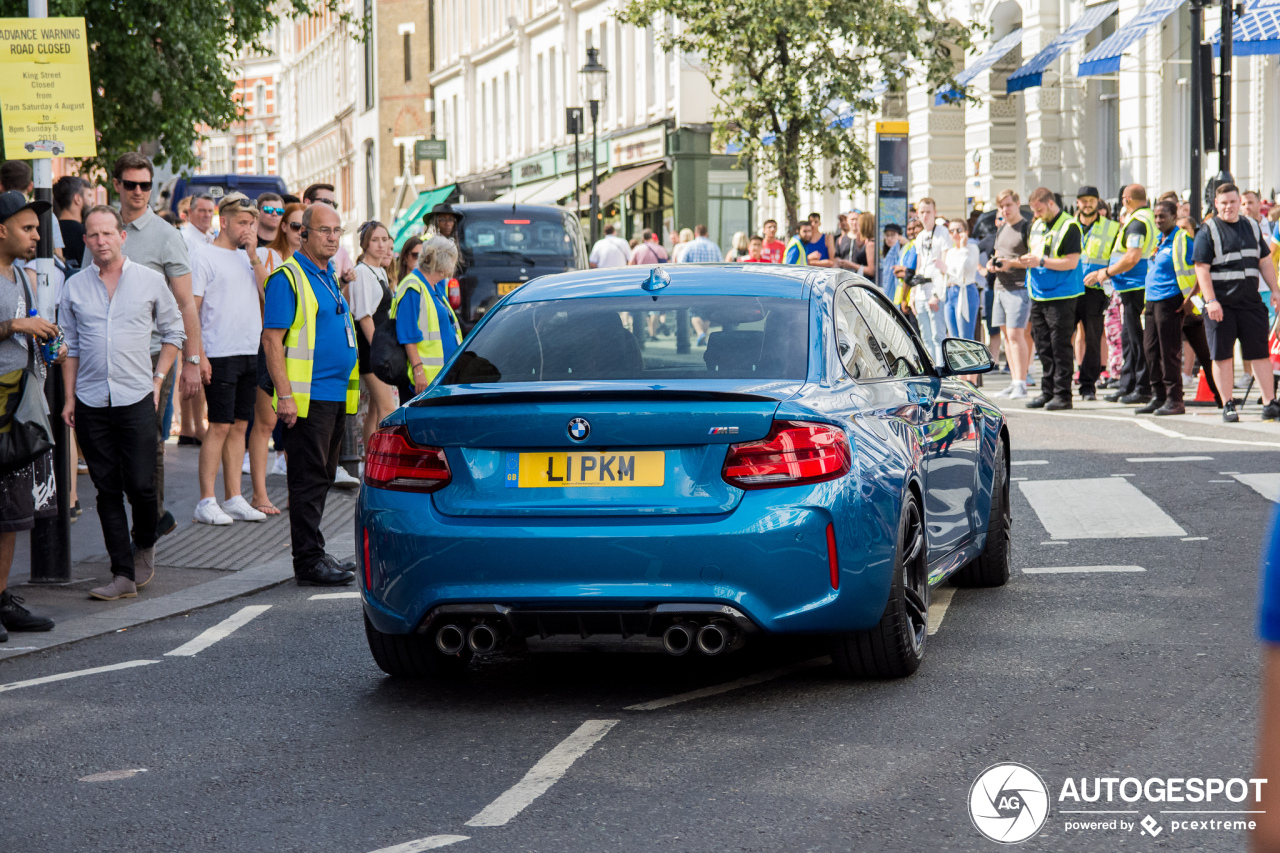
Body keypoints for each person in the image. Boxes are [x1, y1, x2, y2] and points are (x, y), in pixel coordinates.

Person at [63, 205, 185, 600]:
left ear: (122, 236)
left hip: (136, 397)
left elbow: (173, 331)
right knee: (107, 490)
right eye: (93, 235)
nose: (101, 241)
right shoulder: (75, 287)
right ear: (85, 241)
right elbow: (72, 347)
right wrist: (68, 398)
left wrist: (158, 379)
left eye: (107, 234)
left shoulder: (149, 281)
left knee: (141, 486)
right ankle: (122, 574)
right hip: (91, 401)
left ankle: (146, 539)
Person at [88, 154, 203, 537]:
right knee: (111, 439)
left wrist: (192, 360)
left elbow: (186, 303)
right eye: (131, 184)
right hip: (103, 353)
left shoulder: (166, 235)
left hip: (154, 353)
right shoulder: (99, 227)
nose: (139, 192)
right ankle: (140, 516)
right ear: (116, 184)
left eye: (146, 185)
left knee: (148, 436)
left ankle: (149, 522)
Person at [261, 202, 360, 586]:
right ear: (303, 233)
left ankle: (315, 552)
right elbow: (272, 341)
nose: (332, 237)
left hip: (334, 395)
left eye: (337, 230)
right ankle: (307, 562)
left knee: (321, 478)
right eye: (324, 230)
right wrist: (284, 396)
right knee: (306, 480)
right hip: (306, 398)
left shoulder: (328, 274)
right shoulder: (289, 277)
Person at [0, 191, 60, 638]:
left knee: (13, 512)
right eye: (27, 228)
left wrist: (45, 341)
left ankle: (1, 599)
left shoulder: (23, 278)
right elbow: (14, 328)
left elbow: (28, 333)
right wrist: (15, 326)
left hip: (19, 408)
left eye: (37, 228)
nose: (36, 235)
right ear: (1, 230)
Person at [190, 194, 270, 525]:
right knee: (219, 425)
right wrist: (198, 357)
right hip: (219, 351)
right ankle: (206, 499)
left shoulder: (250, 257)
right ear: (224, 222)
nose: (249, 229)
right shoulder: (203, 255)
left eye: (252, 223)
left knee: (240, 425)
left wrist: (253, 256)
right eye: (242, 223)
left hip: (249, 349)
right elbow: (191, 310)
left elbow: (267, 294)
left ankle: (234, 495)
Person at [1194, 183, 1280, 422]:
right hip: (1221, 304)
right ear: (1216, 205)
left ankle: (1269, 403)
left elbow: (1264, 261)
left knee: (1260, 353)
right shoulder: (1208, 229)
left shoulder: (1251, 226)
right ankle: (1228, 404)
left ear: (1238, 202)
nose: (1229, 207)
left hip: (1250, 302)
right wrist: (1211, 300)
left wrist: (1275, 290)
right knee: (1222, 355)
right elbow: (1201, 268)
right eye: (1224, 203)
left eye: (1233, 202)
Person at [246, 201, 305, 515]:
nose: (299, 233)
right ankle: (259, 493)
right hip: (271, 345)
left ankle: (295, 494)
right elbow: (266, 296)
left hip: (301, 351)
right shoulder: (270, 256)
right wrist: (255, 256)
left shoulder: (314, 262)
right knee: (266, 423)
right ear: (284, 228)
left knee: (299, 425)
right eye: (294, 226)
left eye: (303, 227)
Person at [1092, 184, 1157, 405]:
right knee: (1128, 339)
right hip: (1130, 286)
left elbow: (1132, 257)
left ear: (1126, 199)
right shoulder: (1144, 217)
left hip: (1136, 286)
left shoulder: (1137, 222)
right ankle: (1128, 384)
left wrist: (1106, 272)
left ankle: (1142, 387)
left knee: (1137, 340)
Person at [1020, 187, 1084, 410]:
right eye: (1033, 211)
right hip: (1039, 293)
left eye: (1039, 210)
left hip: (1063, 294)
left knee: (1060, 346)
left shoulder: (1070, 226)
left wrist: (1040, 262)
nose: (1035, 215)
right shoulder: (1036, 225)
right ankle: (1047, 392)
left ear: (1050, 203)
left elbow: (1072, 262)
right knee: (1044, 346)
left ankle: (1063, 395)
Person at [1135, 200, 1197, 417]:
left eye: (1163, 216)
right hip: (1151, 302)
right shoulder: (1158, 240)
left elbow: (1201, 267)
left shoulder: (1182, 240)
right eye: (1156, 217)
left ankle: (1175, 399)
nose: (1158, 220)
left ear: (1174, 216)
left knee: (1168, 352)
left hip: (1170, 300)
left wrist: (1190, 298)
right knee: (1150, 350)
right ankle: (1158, 396)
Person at [390, 236, 463, 405]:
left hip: (438, 377)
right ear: (444, 263)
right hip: (423, 381)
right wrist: (418, 371)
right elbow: (407, 334)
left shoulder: (435, 287)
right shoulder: (413, 287)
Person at [350, 220, 397, 452]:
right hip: (371, 350)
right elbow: (364, 317)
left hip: (378, 346)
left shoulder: (379, 270)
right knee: (387, 407)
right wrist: (380, 350)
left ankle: (370, 462)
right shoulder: (362, 272)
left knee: (377, 410)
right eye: (375, 240)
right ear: (365, 244)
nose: (381, 244)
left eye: (384, 239)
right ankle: (380, 461)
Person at [1073, 186, 1118, 401]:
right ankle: (1061, 384)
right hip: (1069, 290)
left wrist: (1103, 275)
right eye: (1083, 200)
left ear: (1097, 202)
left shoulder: (1112, 228)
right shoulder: (1068, 225)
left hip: (1095, 291)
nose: (1087, 204)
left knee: (1092, 338)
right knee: (1063, 338)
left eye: (1091, 200)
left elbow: (1117, 259)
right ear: (1077, 203)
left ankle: (1088, 386)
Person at [987, 191, 1034, 398]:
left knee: (1016, 335)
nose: (1005, 210)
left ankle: (1022, 383)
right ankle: (1014, 381)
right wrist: (993, 263)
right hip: (1000, 287)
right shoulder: (1002, 227)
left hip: (1019, 287)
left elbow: (1032, 258)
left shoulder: (1027, 227)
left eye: (1008, 205)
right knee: (1007, 336)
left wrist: (1011, 264)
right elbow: (998, 253)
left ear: (1017, 204)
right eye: (1001, 207)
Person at [899, 197, 950, 361]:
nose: (925, 215)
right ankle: (932, 368)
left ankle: (941, 368)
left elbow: (944, 264)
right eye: (921, 212)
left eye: (928, 212)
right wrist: (913, 294)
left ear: (934, 212)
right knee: (925, 336)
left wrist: (938, 294)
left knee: (938, 334)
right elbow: (919, 267)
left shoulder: (942, 233)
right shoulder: (920, 236)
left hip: (935, 288)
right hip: (921, 289)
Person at [303, 183, 355, 286]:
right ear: (307, 203)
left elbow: (331, 290)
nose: (332, 238)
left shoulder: (339, 251)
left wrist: (344, 280)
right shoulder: (296, 245)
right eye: (326, 202)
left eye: (336, 230)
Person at [938, 217, 980, 341]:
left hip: (966, 291)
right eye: (951, 231)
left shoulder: (972, 248)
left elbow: (963, 270)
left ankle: (969, 361)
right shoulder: (950, 252)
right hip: (950, 292)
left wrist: (962, 248)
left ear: (966, 232)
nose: (955, 234)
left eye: (958, 230)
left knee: (965, 337)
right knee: (953, 337)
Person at [53, 175, 91, 270]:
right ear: (77, 199)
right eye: (89, 196)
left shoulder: (49, 231)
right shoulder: (88, 233)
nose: (93, 201)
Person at [878, 223, 904, 300]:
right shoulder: (887, 254)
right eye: (887, 235)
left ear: (900, 236)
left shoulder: (902, 252)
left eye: (892, 235)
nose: (889, 238)